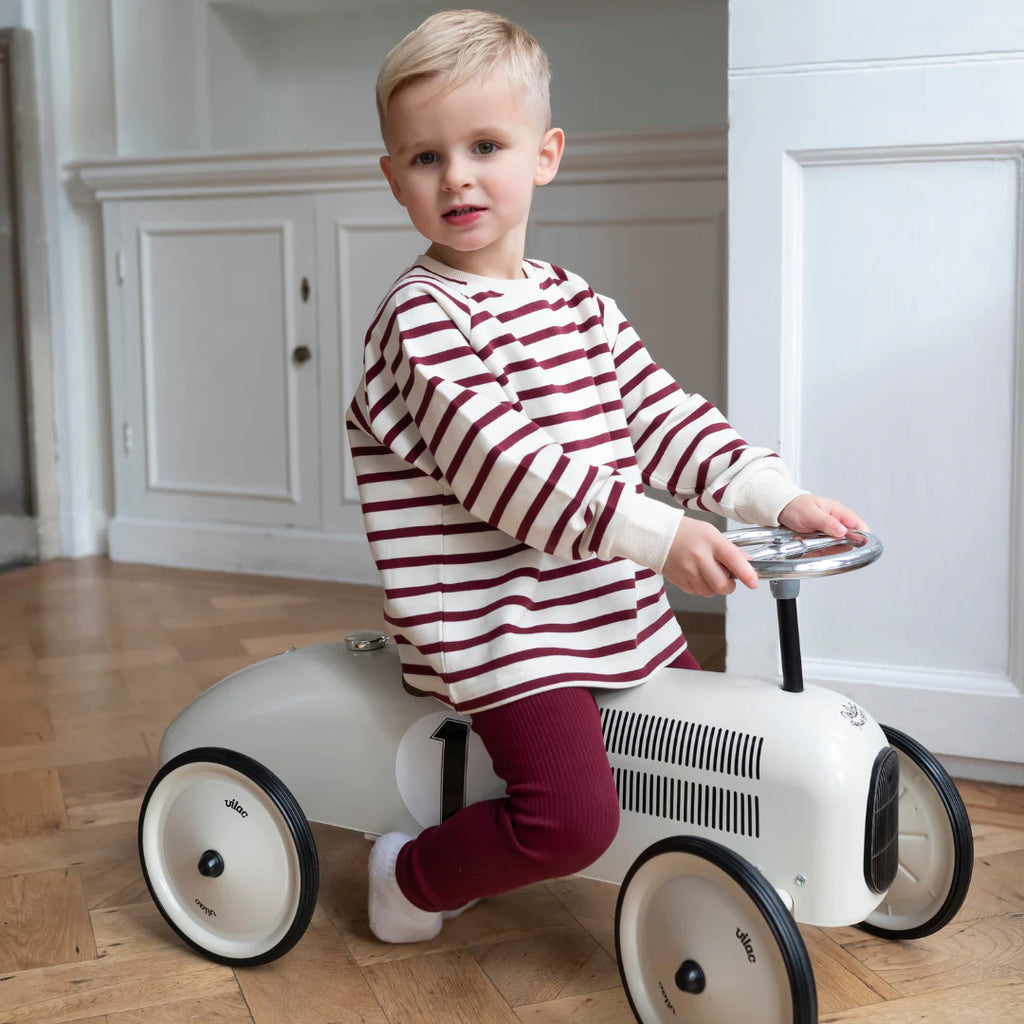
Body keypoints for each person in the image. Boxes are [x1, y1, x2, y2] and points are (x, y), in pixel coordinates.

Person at [346, 8, 867, 944]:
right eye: (426, 158)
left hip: (603, 599)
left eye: (484, 145)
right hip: (501, 626)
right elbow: (505, 465)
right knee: (572, 819)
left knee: (708, 753)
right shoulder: (419, 321)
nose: (457, 175)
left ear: (543, 155)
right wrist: (661, 536)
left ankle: (706, 892)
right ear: (395, 180)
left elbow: (661, 414)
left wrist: (766, 491)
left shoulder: (576, 303)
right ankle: (413, 876)